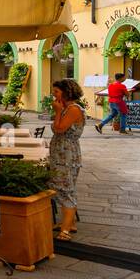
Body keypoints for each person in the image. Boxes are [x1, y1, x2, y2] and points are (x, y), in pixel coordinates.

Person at [49, 78, 86, 240]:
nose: (53, 94)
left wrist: (57, 112)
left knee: (65, 189)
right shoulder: (66, 108)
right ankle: (69, 223)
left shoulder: (73, 109)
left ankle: (65, 230)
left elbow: (59, 128)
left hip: (66, 154)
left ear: (66, 92)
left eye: (56, 91)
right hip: (61, 152)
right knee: (62, 187)